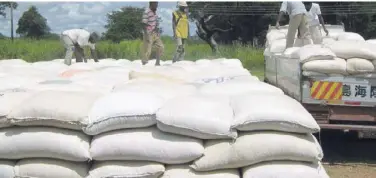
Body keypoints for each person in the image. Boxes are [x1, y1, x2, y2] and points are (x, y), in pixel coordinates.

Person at [141, 1, 164, 66]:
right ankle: (144, 64)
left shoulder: (154, 13)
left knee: (160, 46)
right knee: (147, 50)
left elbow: (155, 23)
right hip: (148, 33)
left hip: (154, 33)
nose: (156, 6)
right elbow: (143, 24)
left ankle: (157, 63)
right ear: (151, 4)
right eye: (155, 4)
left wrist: (157, 31)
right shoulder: (147, 12)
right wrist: (147, 35)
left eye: (157, 4)